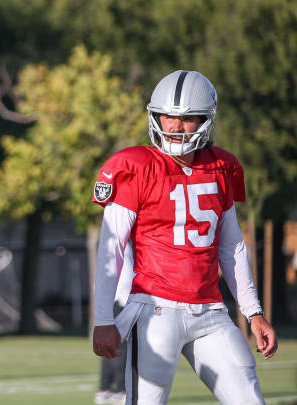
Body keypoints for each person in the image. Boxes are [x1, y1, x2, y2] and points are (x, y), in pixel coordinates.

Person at [91, 70, 277, 404]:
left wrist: (253, 312)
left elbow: (231, 246)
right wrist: (104, 319)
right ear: (155, 116)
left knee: (249, 399)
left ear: (206, 120)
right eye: (168, 116)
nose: (175, 126)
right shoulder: (134, 165)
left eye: (188, 118)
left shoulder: (222, 166)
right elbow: (111, 249)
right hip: (154, 310)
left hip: (210, 312)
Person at [94, 243, 134, 405]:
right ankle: (120, 389)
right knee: (120, 347)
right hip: (120, 299)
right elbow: (124, 274)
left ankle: (105, 389)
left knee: (109, 346)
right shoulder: (120, 243)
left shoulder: (111, 243)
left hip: (112, 299)